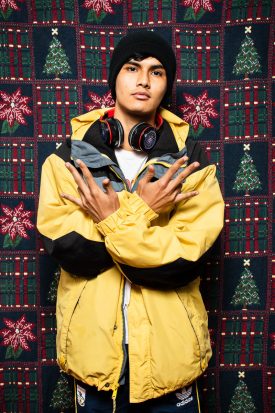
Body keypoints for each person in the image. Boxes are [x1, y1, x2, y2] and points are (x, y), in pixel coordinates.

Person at [37, 31, 224, 413]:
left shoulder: (191, 161)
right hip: (93, 356)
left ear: (167, 84)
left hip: (170, 358)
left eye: (156, 72)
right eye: (132, 68)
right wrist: (142, 210)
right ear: (115, 78)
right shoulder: (67, 159)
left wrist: (109, 215)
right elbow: (73, 252)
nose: (143, 80)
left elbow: (181, 262)